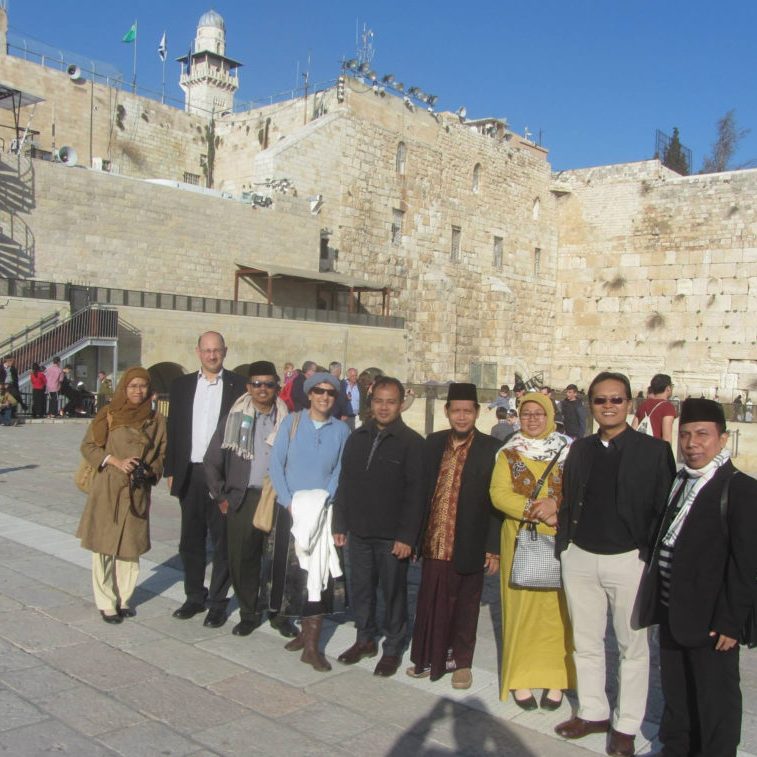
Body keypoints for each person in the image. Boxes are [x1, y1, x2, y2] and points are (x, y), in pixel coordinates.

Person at [554, 371, 676, 757]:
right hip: (581, 557)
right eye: (601, 400)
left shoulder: (653, 452)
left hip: (629, 560)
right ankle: (592, 711)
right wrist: (566, 548)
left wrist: (650, 559)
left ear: (629, 404)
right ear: (590, 405)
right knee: (586, 642)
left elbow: (664, 511)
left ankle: (626, 725)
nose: (608, 406)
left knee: (632, 647)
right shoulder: (581, 449)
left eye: (616, 399)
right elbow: (571, 498)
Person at [638, 399, 757, 757]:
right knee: (677, 692)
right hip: (674, 612)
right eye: (686, 435)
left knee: (715, 699)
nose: (692, 443)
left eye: (702, 435)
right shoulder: (680, 482)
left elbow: (746, 565)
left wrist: (730, 622)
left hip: (712, 623)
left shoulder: (740, 489)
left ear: (722, 439)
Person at [407, 383, 501, 689]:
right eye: (456, 410)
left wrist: (492, 548)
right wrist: (411, 536)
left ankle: (462, 663)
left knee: (466, 604)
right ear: (447, 412)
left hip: (468, 541)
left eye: (467, 411)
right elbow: (418, 492)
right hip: (434, 540)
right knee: (430, 603)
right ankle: (425, 659)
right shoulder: (433, 443)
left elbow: (494, 503)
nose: (461, 417)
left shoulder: (489, 448)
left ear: (476, 413)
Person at [333, 376, 425, 678]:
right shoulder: (358, 436)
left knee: (394, 592)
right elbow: (345, 482)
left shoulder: (411, 443)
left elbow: (416, 494)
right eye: (378, 401)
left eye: (390, 402)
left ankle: (394, 646)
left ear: (400, 405)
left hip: (391, 537)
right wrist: (340, 523)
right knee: (361, 590)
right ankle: (365, 639)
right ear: (371, 403)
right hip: (359, 531)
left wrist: (406, 536)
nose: (384, 407)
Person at [490, 392, 574, 709]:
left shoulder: (568, 451)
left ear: (551, 415)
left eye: (540, 413)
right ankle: (521, 676)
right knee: (520, 608)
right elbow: (499, 494)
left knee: (557, 611)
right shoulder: (509, 453)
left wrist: (558, 507)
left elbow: (578, 488)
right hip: (520, 538)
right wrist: (536, 509)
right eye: (527, 414)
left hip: (558, 537)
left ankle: (556, 677)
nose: (534, 419)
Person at [204, 361, 296, 638]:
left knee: (279, 559)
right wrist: (221, 496)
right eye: (257, 384)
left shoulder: (288, 420)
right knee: (243, 559)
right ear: (248, 387)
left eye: (268, 384)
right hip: (243, 497)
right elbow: (212, 460)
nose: (262, 389)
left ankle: (280, 614)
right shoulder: (235, 417)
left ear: (277, 387)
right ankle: (249, 612)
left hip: (277, 497)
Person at [267, 371, 350, 671]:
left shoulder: (341, 431)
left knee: (319, 576)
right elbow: (276, 463)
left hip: (323, 514)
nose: (324, 397)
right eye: (319, 391)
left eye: (330, 392)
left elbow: (342, 470)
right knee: (295, 574)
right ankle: (303, 632)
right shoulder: (292, 422)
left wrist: (324, 499)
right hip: (290, 511)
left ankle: (312, 645)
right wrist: (289, 502)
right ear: (310, 394)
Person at [165, 331, 247, 628]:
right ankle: (194, 597)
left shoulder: (239, 386)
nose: (212, 355)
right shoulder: (182, 385)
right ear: (198, 352)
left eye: (217, 350)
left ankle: (217, 602)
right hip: (190, 471)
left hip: (222, 475)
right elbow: (174, 429)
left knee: (223, 541)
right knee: (191, 539)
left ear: (225, 351)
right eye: (207, 350)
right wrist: (171, 470)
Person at [76, 367, 167, 623]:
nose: (138, 391)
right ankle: (106, 601)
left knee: (130, 547)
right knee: (103, 547)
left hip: (137, 490)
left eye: (143, 386)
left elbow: (161, 453)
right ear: (124, 388)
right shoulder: (110, 414)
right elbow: (89, 446)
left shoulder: (156, 420)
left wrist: (150, 471)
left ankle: (124, 597)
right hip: (109, 488)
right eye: (133, 386)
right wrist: (114, 460)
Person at [632, 373, 676, 444]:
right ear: (668, 388)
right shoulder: (668, 407)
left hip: (640, 449)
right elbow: (667, 437)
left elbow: (633, 430)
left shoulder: (643, 405)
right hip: (656, 450)